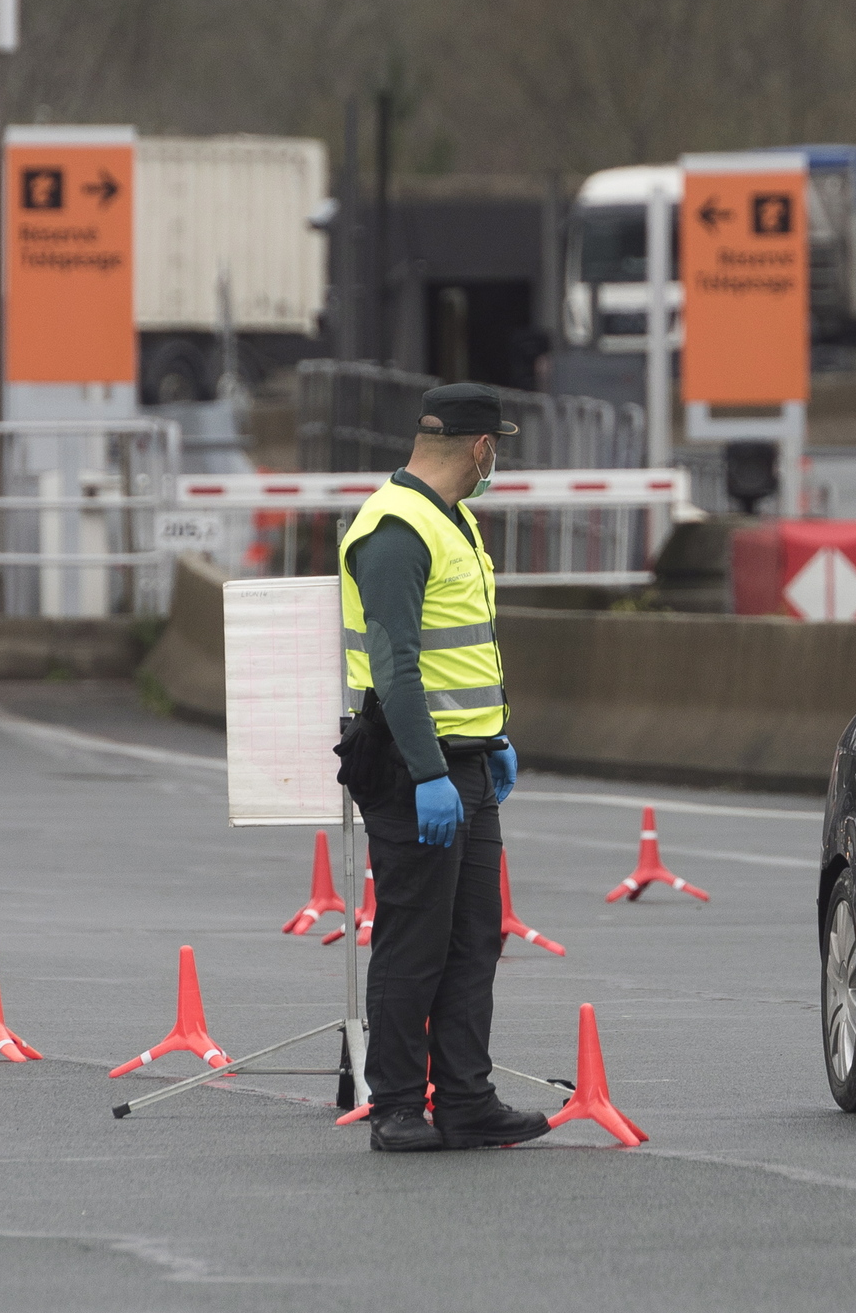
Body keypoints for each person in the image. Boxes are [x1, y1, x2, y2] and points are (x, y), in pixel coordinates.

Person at [337, 383, 547, 1153]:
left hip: (468, 761)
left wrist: (493, 739)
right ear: (481, 448)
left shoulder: (451, 518)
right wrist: (428, 773)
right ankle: (396, 1106)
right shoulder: (396, 529)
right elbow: (395, 665)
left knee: (472, 939)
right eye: (498, 451)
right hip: (412, 766)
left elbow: (460, 651)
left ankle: (466, 1100)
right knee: (413, 940)